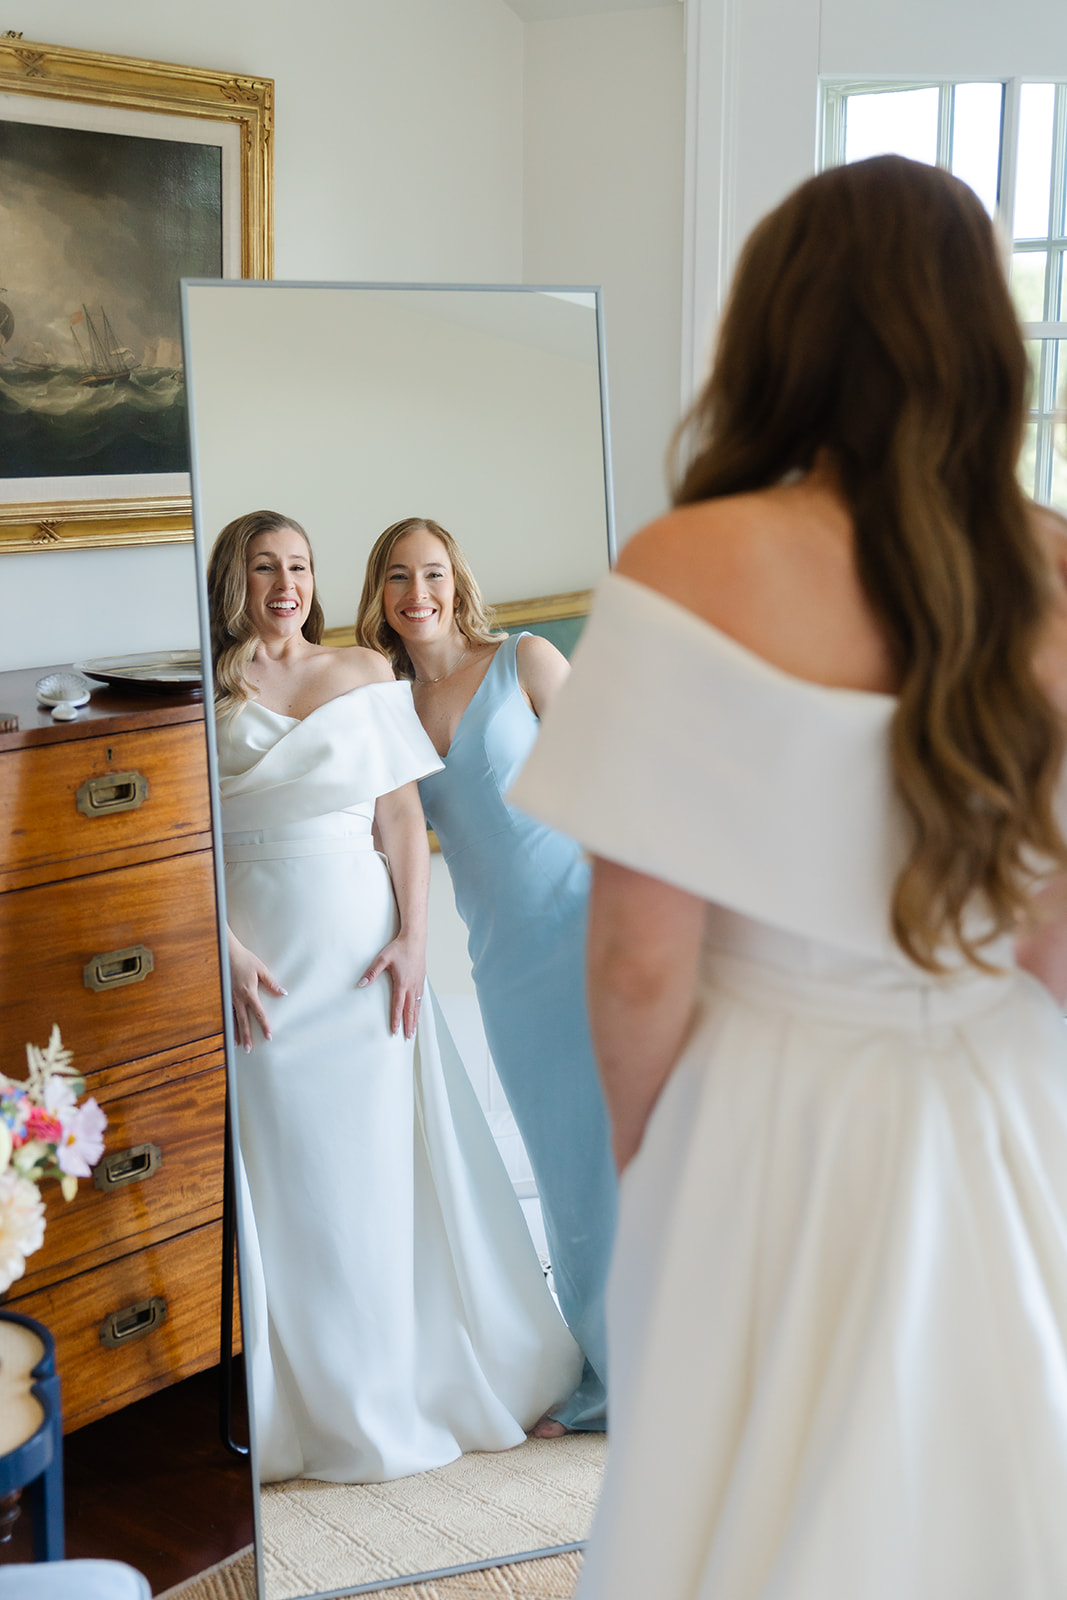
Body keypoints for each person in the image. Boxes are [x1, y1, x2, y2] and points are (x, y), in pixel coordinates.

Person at [511, 155, 1067, 1597]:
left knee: (745, 1492)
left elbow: (637, 958)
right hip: (1004, 1094)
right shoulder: (1051, 569)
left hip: (770, 1102)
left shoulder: (691, 562)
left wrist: (653, 1154)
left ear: (779, 330)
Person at [208, 508, 581, 1484]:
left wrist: (414, 940)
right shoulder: (204, 693)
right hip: (264, 964)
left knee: (382, 1170)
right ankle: (313, 1404)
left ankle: (420, 1376)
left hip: (369, 950)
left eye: (297, 565)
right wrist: (224, 946)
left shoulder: (368, 676)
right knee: (295, 1179)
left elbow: (400, 817)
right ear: (233, 581)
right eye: (262, 567)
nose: (283, 583)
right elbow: (182, 843)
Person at [355, 518, 616, 1434]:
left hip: (591, 929)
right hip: (505, 964)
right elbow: (382, 840)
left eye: (430, 573)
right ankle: (609, 1373)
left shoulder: (528, 660)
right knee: (568, 1166)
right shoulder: (379, 702)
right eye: (397, 577)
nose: (416, 593)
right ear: (379, 594)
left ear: (455, 581)